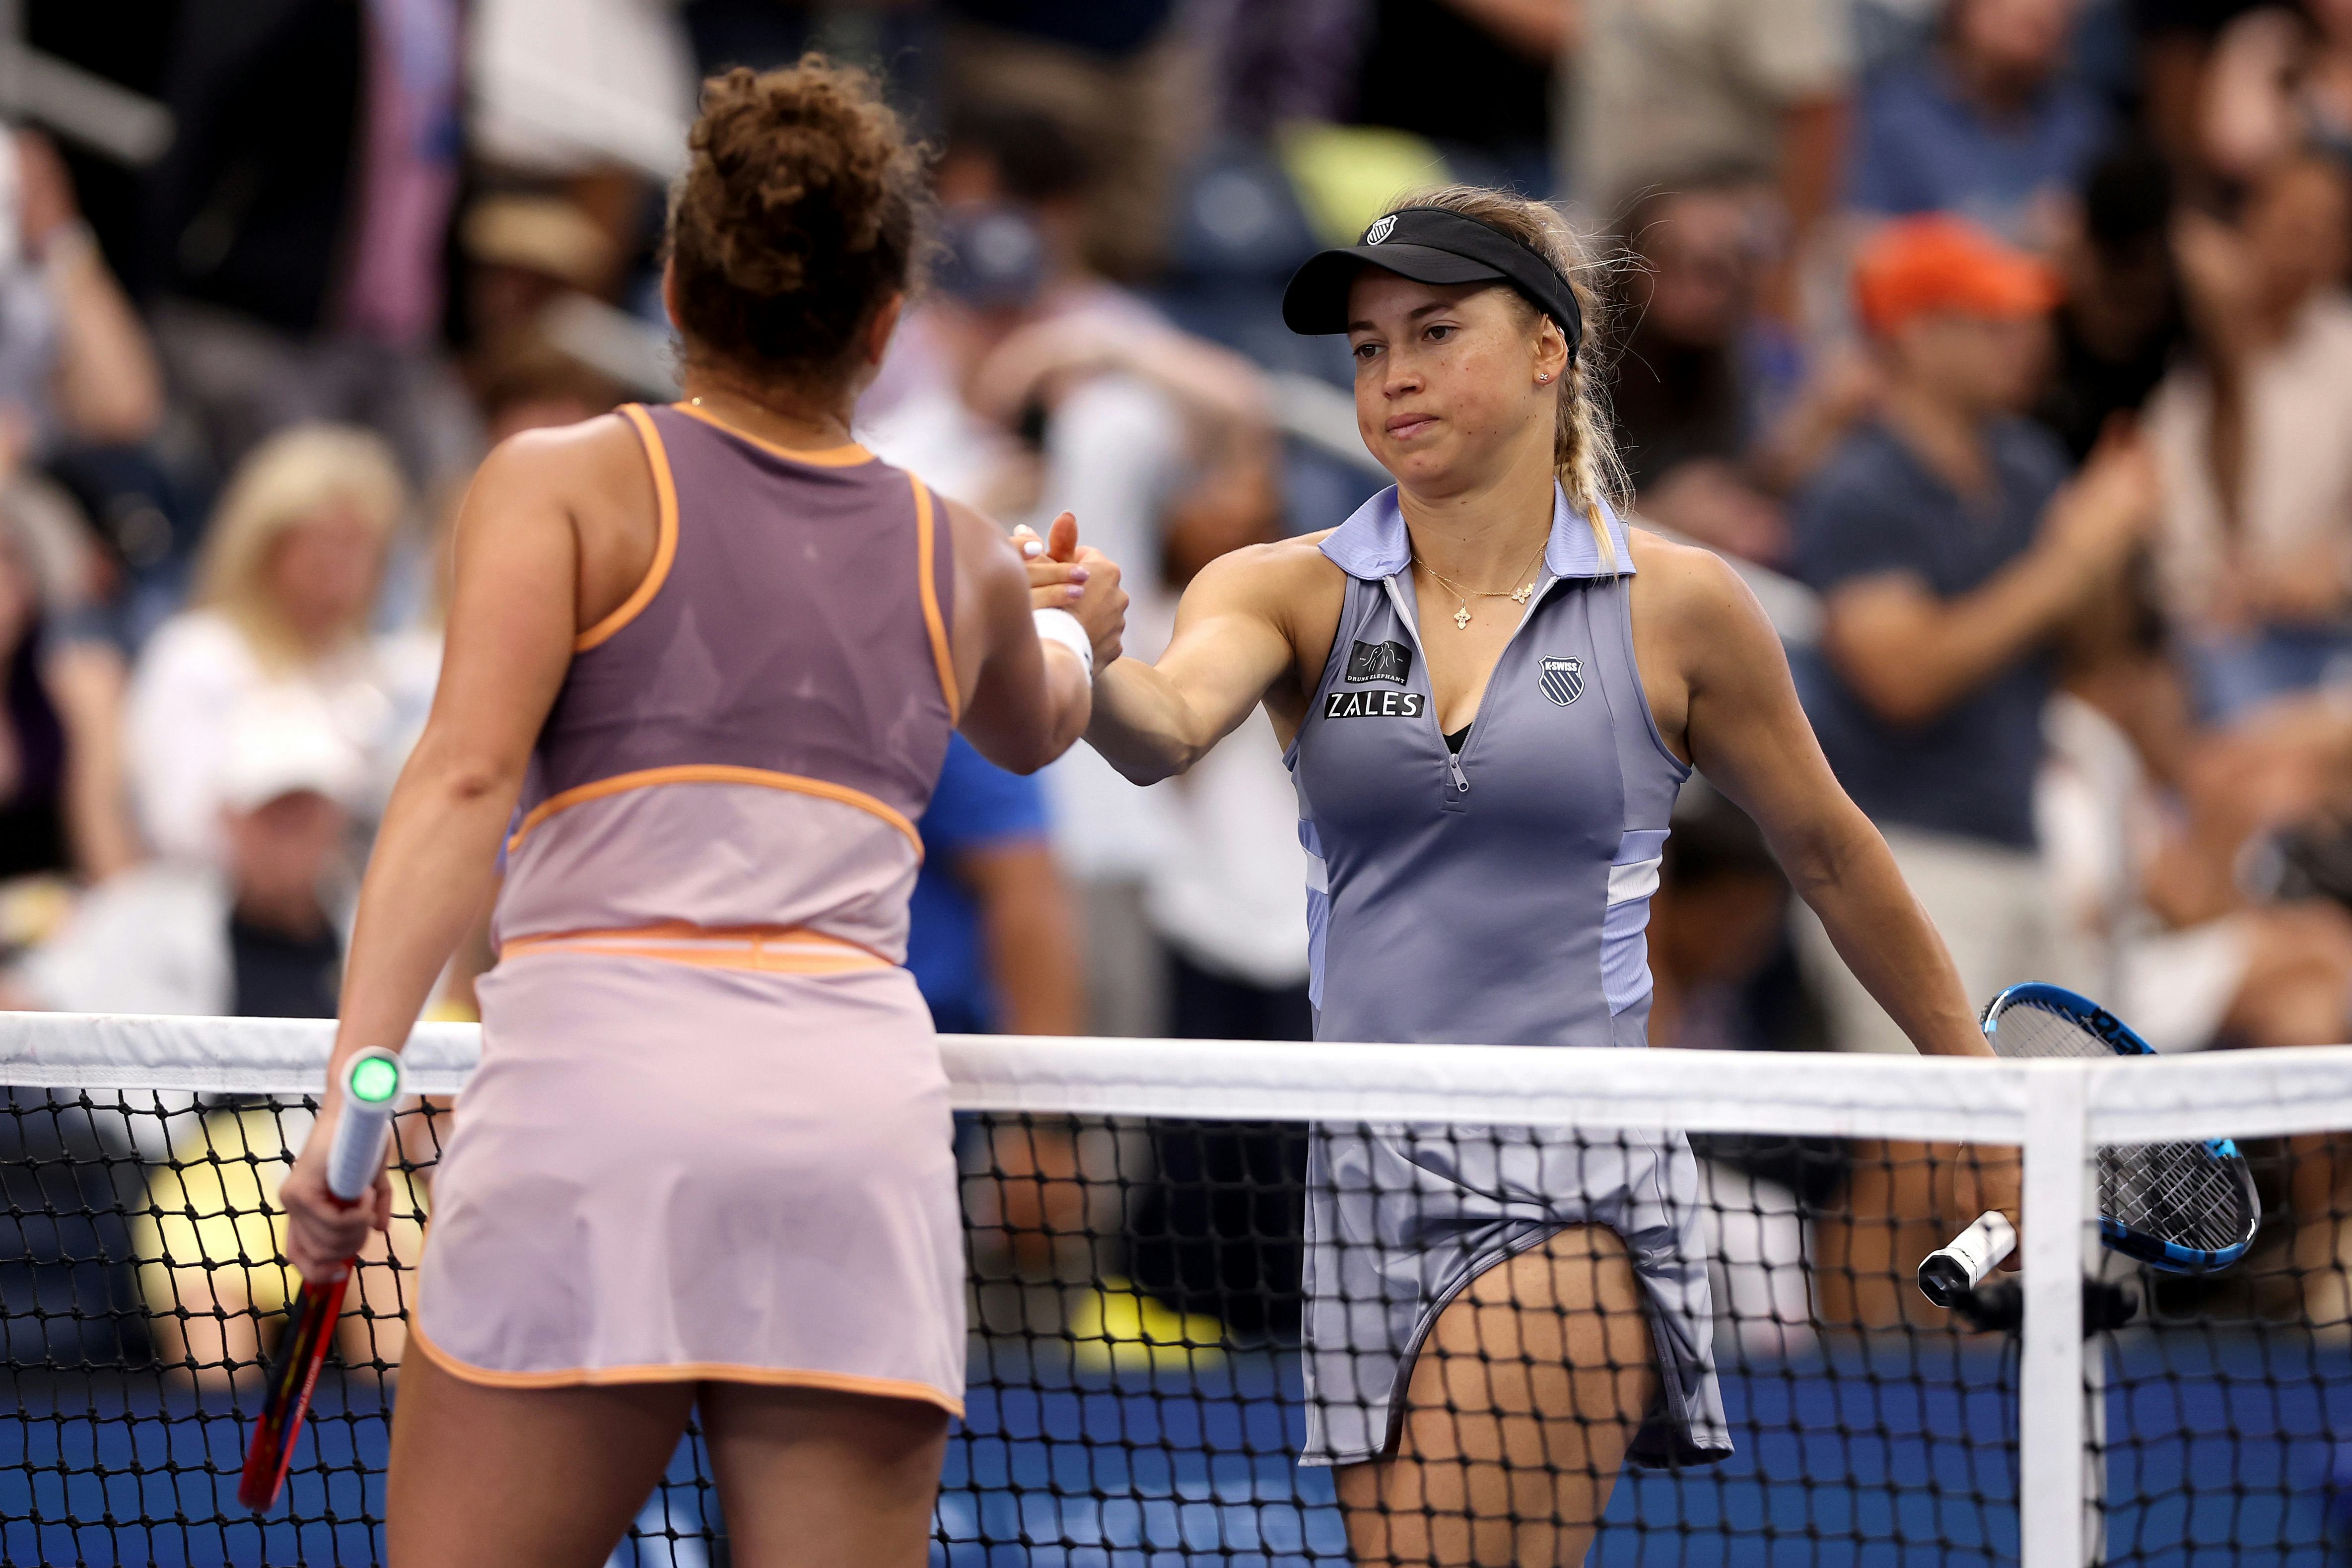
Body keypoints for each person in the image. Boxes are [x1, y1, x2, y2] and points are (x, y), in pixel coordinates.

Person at [1026, 186, 2018, 1567]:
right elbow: (1158, 731)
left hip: (1568, 1184)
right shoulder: (1278, 587)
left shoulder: (1679, 604)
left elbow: (1836, 854)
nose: (1394, 374)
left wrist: (1972, 1085)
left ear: (1550, 348)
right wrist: (1093, 646)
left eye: (1436, 331)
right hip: (1361, 1184)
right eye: (1369, 348)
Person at [275, 60, 1106, 1568]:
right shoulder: (965, 557)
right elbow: (1044, 720)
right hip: (846, 1146)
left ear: (671, 282)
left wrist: (364, 1087)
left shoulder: (560, 485)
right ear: (882, 321)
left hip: (600, 1111)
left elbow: (463, 780)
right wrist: (1073, 626)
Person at [1787, 215, 2152, 1326]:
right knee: (1916, 1149)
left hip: (2020, 847)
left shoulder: (2030, 464)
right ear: (1912, 333)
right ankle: (1851, 1410)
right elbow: (1903, 674)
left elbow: (2089, 654)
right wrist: (2074, 556)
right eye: (1989, 322)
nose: (2021, 344)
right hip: (1897, 860)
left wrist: (2102, 551)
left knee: (2056, 1151)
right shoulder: (1858, 486)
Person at [8, 693, 422, 1388]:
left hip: (354, 1167)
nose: (290, 829)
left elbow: (430, 1062)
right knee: (212, 1334)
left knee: (391, 1299)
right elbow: (27, 1001)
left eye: (307, 808)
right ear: (229, 818)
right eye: (271, 809)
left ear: (335, 818)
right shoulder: (142, 913)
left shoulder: (390, 929)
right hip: (204, 1177)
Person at [124, 423, 437, 865]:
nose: (338, 565)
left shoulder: (384, 669)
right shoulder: (199, 654)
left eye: (358, 545)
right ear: (263, 544)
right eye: (320, 541)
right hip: (218, 907)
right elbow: (178, 825)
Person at [2148, 153, 2352, 715]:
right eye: (2290, 218)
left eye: (2322, 228)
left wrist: (2334, 570)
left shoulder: (2346, 353)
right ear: (2250, 218)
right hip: (2203, 628)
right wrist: (2220, 586)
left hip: (2325, 628)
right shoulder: (2180, 335)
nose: (2301, 240)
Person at [1851, 0, 2113, 248]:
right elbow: (1853, 245)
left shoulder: (2081, 123)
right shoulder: (1892, 116)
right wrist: (2002, 239)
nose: (2043, 10)